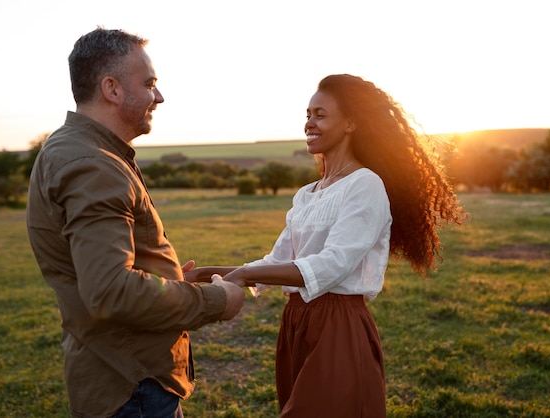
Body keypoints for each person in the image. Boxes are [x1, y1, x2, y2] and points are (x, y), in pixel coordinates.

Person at [184, 74, 466, 417]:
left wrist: (243, 275)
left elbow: (332, 264)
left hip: (338, 324)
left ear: (350, 123)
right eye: (307, 114)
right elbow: (275, 262)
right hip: (295, 322)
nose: (309, 124)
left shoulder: (365, 185)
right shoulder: (307, 194)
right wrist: (203, 273)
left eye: (320, 114)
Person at [26, 27, 245, 417]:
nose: (158, 96)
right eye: (149, 84)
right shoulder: (93, 165)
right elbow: (110, 291)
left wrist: (171, 281)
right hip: (133, 385)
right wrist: (217, 300)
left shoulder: (72, 149)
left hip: (115, 370)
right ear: (111, 89)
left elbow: (103, 269)